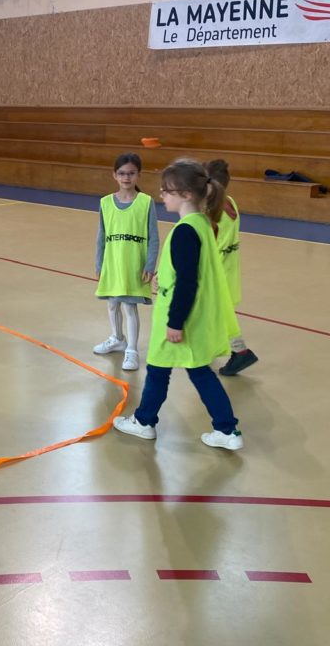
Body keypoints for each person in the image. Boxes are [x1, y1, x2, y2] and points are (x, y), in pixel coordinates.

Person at [112, 158, 244, 451]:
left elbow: (188, 282)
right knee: (198, 372)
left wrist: (175, 322)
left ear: (185, 194)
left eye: (167, 190)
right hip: (193, 316)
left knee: (159, 370)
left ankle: (144, 422)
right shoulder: (202, 224)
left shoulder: (186, 230)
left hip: (178, 318)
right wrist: (163, 278)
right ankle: (227, 429)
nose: (162, 195)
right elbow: (189, 271)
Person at [93, 153, 159, 371]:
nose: (126, 177)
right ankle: (117, 338)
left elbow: (153, 237)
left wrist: (150, 265)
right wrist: (99, 264)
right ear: (114, 175)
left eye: (131, 173)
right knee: (112, 303)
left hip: (134, 265)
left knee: (130, 306)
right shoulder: (105, 203)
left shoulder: (146, 202)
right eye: (121, 173)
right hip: (113, 263)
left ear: (138, 175)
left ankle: (132, 350)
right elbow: (101, 236)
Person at [205, 159, 259, 376]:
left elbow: (206, 246)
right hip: (230, 270)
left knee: (222, 315)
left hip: (216, 272)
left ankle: (240, 351)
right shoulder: (231, 202)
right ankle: (210, 348)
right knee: (218, 313)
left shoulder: (211, 213)